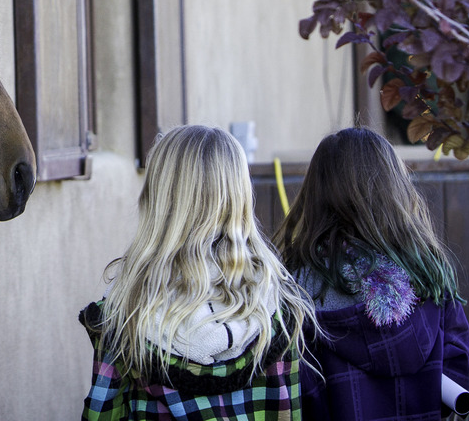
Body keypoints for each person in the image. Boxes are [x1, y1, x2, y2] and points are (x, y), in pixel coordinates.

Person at [79, 124, 316, 420]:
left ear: (160, 199)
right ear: (239, 198)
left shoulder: (124, 312)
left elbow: (103, 413)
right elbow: (288, 410)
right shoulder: (278, 306)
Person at [273, 127, 469, 420]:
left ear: (314, 196)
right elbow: (458, 375)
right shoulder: (427, 276)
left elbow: (294, 394)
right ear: (394, 192)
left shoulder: (296, 290)